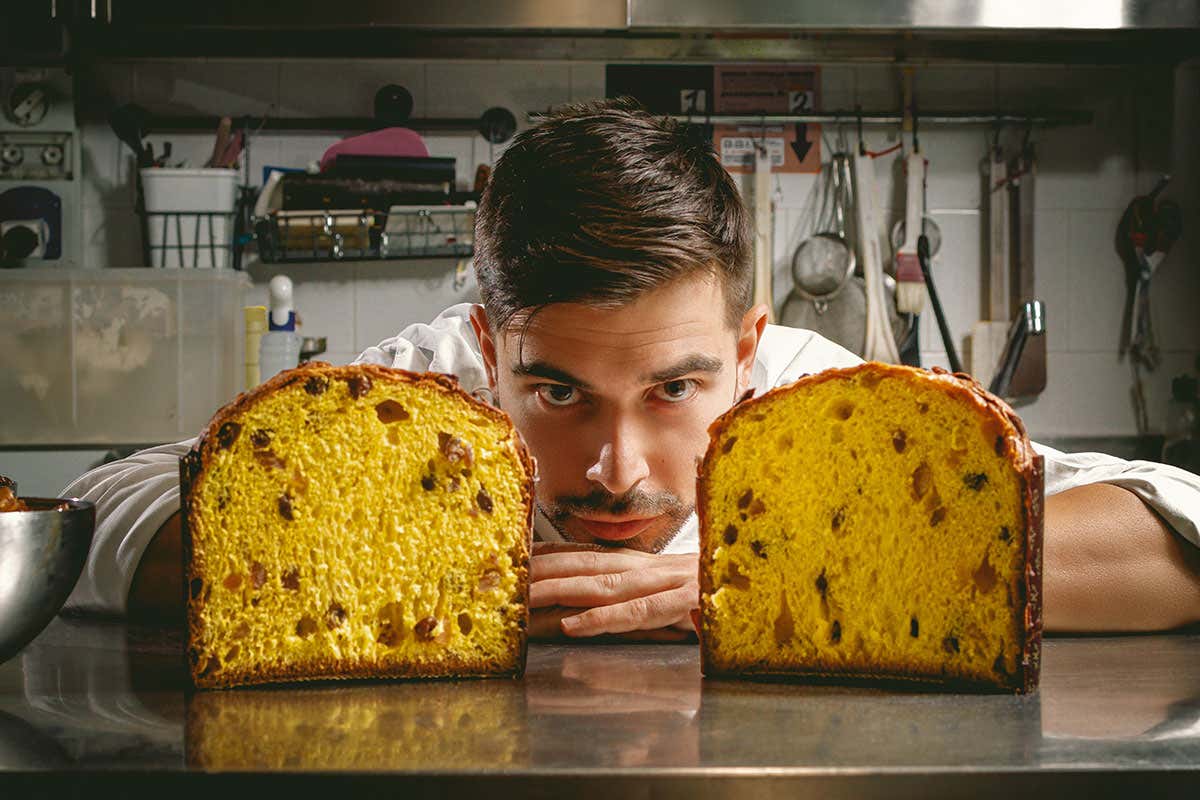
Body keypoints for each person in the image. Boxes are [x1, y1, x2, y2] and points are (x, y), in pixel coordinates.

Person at [63, 98, 1200, 638]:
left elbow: (1177, 530)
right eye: (555, 389)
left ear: (746, 354)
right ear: (485, 347)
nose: (616, 468)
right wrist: (419, 564)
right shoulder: (417, 396)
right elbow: (99, 515)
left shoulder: (816, 397)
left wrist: (777, 581)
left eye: (674, 389)